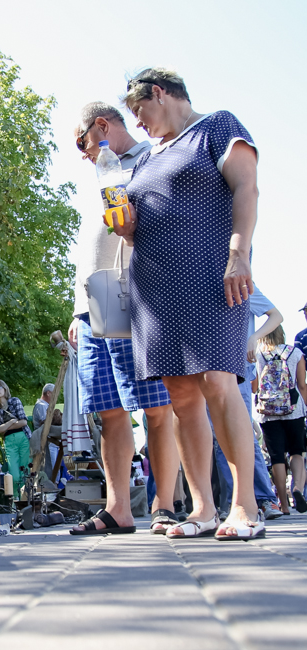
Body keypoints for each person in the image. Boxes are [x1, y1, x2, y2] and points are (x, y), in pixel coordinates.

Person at [114, 68, 262, 540]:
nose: (138, 124)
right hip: (155, 289)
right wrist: (126, 226)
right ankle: (202, 510)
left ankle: (245, 507)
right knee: (180, 396)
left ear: (159, 93)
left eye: (139, 111)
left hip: (212, 276)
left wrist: (239, 254)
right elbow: (138, 228)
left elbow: (246, 187)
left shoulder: (217, 126)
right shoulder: (145, 158)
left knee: (218, 381)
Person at [67, 102, 178, 536]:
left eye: (83, 143)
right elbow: (91, 248)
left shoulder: (151, 158)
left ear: (101, 125)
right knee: (107, 409)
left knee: (155, 406)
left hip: (135, 295)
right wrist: (76, 310)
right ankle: (118, 511)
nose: (83, 154)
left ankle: (164, 505)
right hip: (93, 302)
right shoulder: (100, 171)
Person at [211, 286, 284, 519]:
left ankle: (265, 499)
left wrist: (254, 337)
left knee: (242, 433)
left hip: (238, 368)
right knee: (219, 437)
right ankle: (236, 502)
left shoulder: (241, 284)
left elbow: (276, 316)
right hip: (208, 369)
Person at [253, 325, 307, 514]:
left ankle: (283, 505)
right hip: (294, 410)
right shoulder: (295, 353)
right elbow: (302, 385)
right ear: (281, 334)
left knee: (277, 458)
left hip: (268, 413)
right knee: (297, 452)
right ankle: (297, 488)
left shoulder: (258, 354)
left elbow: (254, 387)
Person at [0, 379, 31, 499]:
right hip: (9, 441)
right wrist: (12, 421)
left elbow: (23, 422)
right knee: (14, 474)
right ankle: (15, 500)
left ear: (5, 389)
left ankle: (26, 499)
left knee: (25, 471)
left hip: (23, 437)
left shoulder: (15, 401)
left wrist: (5, 427)